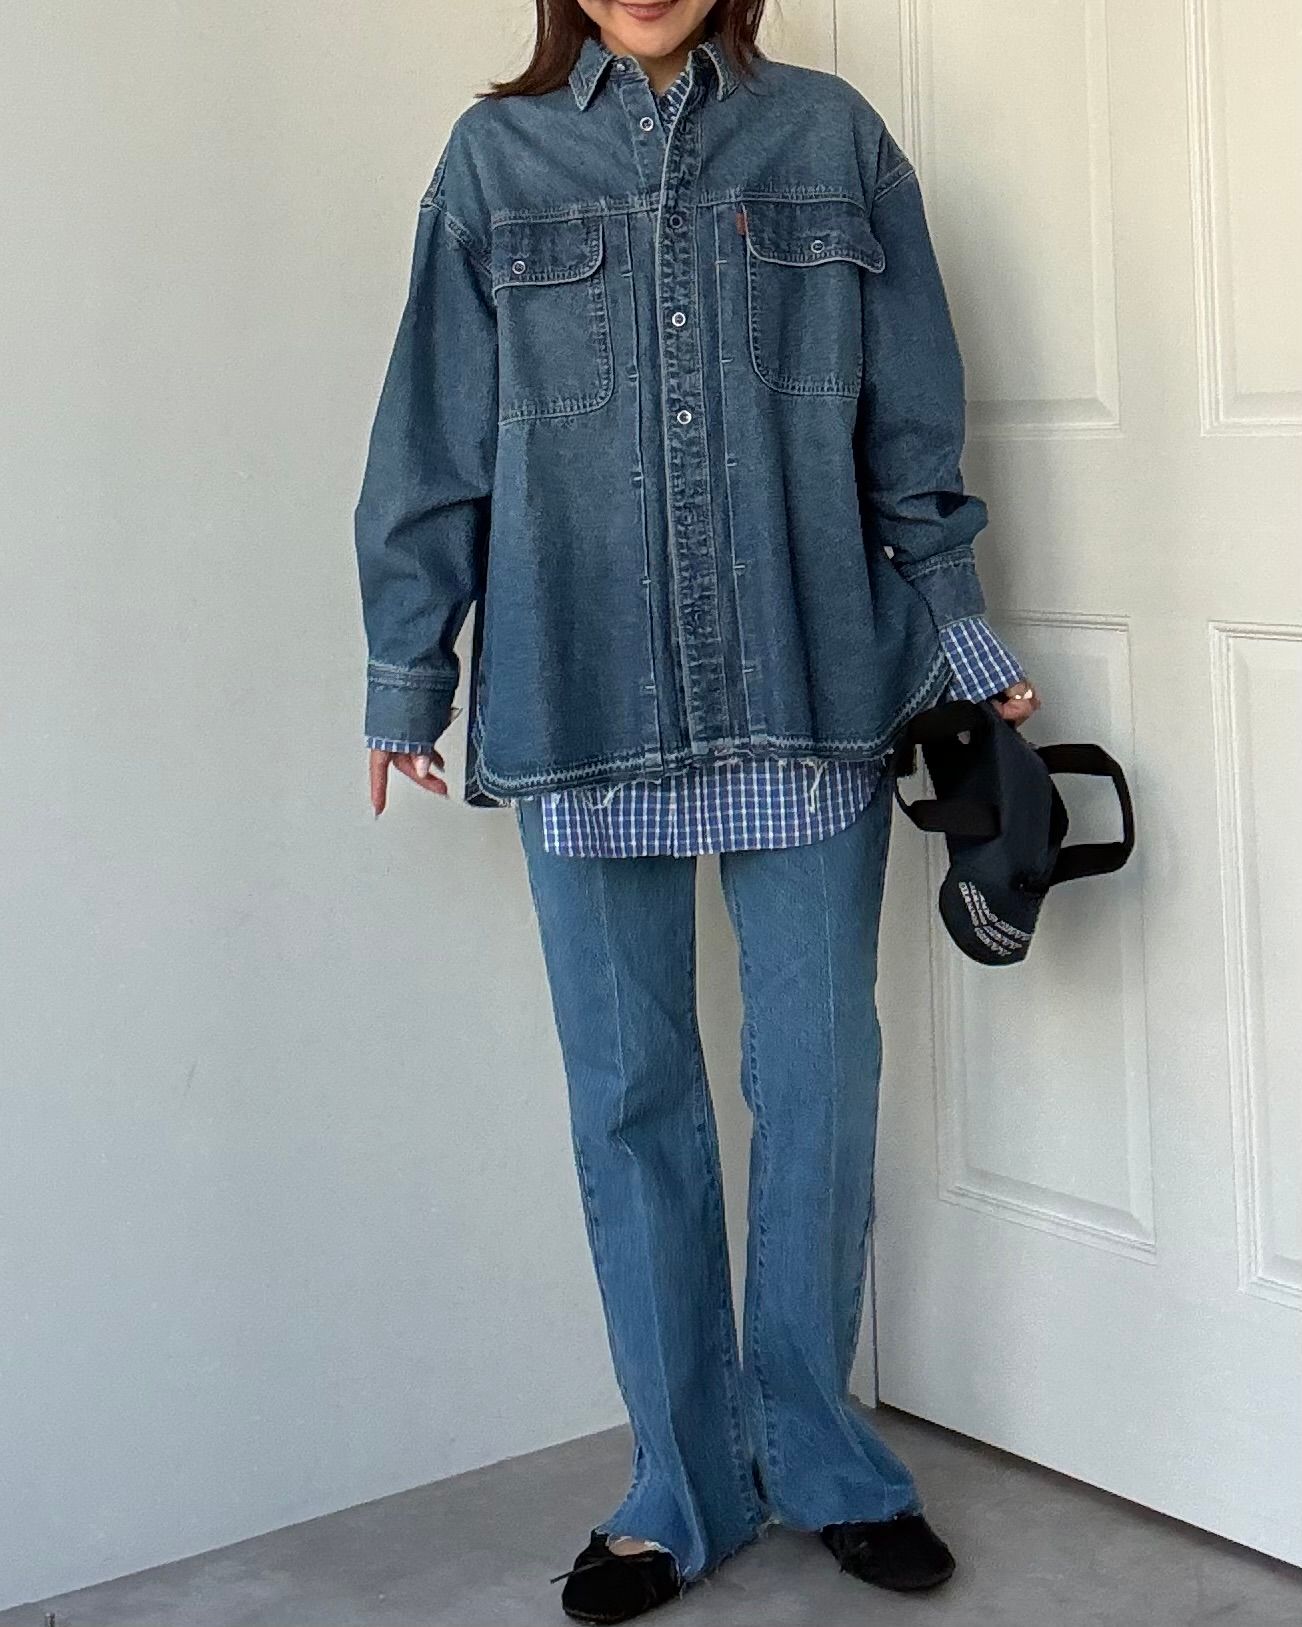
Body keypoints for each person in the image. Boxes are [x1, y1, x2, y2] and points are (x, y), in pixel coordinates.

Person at [354, 1, 1042, 1619]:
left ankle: (822, 1461)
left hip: (808, 679)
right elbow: (431, 433)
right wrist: (406, 671)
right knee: (630, 1101)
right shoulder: (494, 157)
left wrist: (958, 624)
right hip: (578, 693)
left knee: (817, 1085)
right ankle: (678, 1486)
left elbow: (909, 410)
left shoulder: (831, 138)